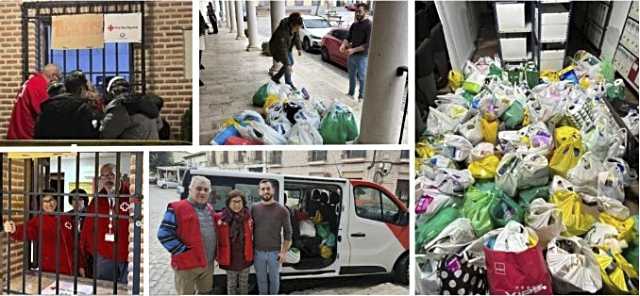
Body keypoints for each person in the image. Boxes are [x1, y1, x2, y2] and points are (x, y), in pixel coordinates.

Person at [158, 176, 216, 295]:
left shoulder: (209, 208)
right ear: (190, 190)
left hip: (207, 264)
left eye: (206, 190)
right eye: (199, 189)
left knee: (205, 292)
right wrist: (183, 251)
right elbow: (163, 234)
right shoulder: (176, 208)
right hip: (186, 265)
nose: (202, 192)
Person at [3, 189, 83, 276]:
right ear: (41, 204)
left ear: (56, 201)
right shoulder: (39, 220)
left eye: (51, 200)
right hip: (51, 270)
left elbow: (76, 243)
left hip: (71, 269)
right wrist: (14, 229)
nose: (49, 204)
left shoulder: (66, 218)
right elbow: (27, 230)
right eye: (45, 201)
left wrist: (81, 265)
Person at [80, 163, 130, 284]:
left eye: (111, 175)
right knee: (104, 289)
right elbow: (87, 229)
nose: (108, 179)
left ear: (119, 176)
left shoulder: (130, 195)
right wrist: (94, 251)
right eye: (104, 176)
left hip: (128, 256)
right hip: (104, 256)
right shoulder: (97, 200)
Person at [34, 70, 103, 139]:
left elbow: (38, 132)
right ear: (81, 89)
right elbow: (87, 135)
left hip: (50, 148)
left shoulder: (47, 106)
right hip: (74, 148)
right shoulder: (82, 107)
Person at [251, 179, 292, 295]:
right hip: (258, 252)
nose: (266, 191)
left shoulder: (282, 210)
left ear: (273, 190)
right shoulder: (254, 208)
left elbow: (288, 233)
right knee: (261, 280)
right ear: (259, 192)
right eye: (263, 189)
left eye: (268, 188)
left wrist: (283, 252)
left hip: (275, 253)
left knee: (274, 280)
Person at [214, 190, 254, 295]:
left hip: (245, 257)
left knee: (244, 284)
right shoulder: (221, 217)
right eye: (233, 202)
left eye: (239, 201)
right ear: (228, 203)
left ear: (243, 203)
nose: (236, 205)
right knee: (231, 284)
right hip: (230, 258)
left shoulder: (248, 217)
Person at [7, 64, 61, 139]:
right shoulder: (39, 85)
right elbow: (46, 113)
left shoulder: (33, 81)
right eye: (59, 78)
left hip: (17, 133)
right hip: (25, 137)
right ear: (54, 76)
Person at [339, 3, 371, 101]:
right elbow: (348, 37)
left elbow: (368, 44)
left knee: (362, 77)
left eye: (360, 12)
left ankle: (361, 96)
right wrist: (343, 45)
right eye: (356, 12)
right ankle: (350, 93)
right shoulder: (354, 24)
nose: (357, 14)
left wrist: (353, 50)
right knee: (351, 76)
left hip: (362, 56)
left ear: (366, 12)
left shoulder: (369, 25)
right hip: (351, 55)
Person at [269, 12, 303, 90]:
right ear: (292, 24)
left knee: (290, 63)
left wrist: (299, 48)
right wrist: (287, 64)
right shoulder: (282, 31)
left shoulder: (295, 25)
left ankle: (276, 78)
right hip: (278, 48)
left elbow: (296, 36)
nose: (298, 29)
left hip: (287, 47)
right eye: (297, 28)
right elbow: (282, 48)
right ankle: (288, 83)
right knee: (288, 64)